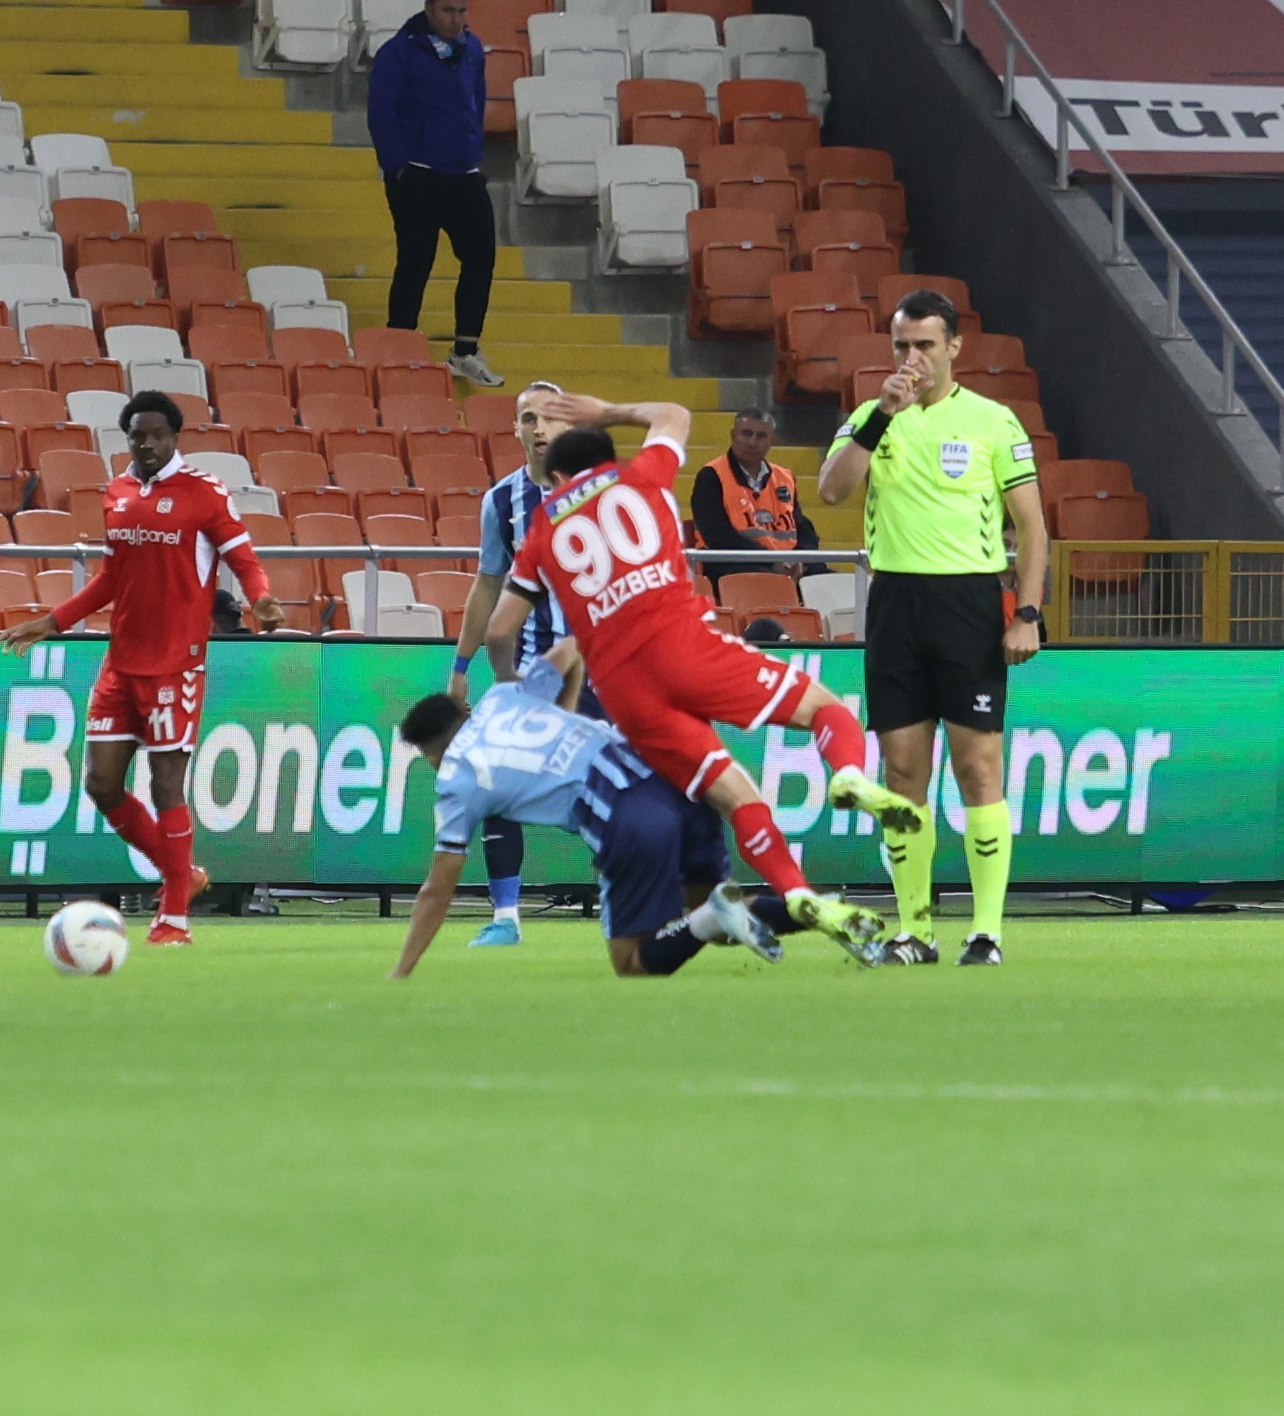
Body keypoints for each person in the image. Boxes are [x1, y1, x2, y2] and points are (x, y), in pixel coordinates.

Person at [485, 392, 926, 965]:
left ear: (560, 473)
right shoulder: (642, 474)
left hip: (623, 688)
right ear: (606, 455)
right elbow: (674, 414)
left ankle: (794, 894)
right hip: (681, 642)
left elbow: (500, 630)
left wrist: (511, 684)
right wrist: (609, 408)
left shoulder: (541, 527)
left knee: (732, 794)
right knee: (824, 710)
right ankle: (845, 775)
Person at [0, 391, 285, 947]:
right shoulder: (118, 492)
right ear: (127, 439)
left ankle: (173, 917)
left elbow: (242, 558)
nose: (147, 443)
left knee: (165, 786)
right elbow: (111, 579)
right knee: (102, 785)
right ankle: (184, 875)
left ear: (175, 437)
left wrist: (263, 599)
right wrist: (51, 622)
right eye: (137, 435)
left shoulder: (204, 492)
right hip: (120, 663)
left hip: (175, 665)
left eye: (157, 434)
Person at [819, 288, 1049, 967]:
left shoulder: (993, 422)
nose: (912, 358)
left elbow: (1033, 527)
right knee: (902, 773)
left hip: (968, 606)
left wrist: (1028, 613)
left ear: (954, 347)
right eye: (901, 346)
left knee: (979, 768)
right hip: (894, 603)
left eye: (924, 344)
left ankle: (986, 931)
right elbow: (831, 491)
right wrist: (880, 418)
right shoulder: (870, 416)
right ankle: (914, 930)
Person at [393, 640, 784, 978]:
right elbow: (570, 649)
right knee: (716, 918)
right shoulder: (502, 697)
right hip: (666, 767)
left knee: (631, 960)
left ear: (430, 754)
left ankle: (712, 916)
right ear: (464, 712)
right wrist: (567, 713)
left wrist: (402, 969)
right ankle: (816, 909)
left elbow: (438, 888)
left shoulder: (456, 778)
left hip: (620, 806)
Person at [444, 379, 580, 948]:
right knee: (494, 782)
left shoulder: (605, 494)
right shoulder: (502, 502)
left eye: (551, 418)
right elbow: (487, 585)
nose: (541, 429)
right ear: (517, 430)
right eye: (530, 419)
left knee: (621, 790)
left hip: (611, 667)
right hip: (532, 672)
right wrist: (460, 667)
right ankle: (506, 917)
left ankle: (633, 905)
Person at [367, 0, 503, 388]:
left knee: (481, 256)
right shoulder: (398, 52)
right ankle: (399, 346)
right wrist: (398, 167)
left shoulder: (472, 48)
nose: (456, 19)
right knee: (416, 260)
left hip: (462, 172)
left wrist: (474, 154)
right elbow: (381, 113)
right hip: (417, 174)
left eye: (462, 10)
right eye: (448, 10)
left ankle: (465, 351)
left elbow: (474, 104)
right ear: (428, 8)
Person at [692, 406, 826, 592]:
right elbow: (718, 536)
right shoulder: (711, 476)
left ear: (772, 440)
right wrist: (772, 562)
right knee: (760, 578)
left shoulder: (784, 477)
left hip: (785, 564)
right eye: (746, 434)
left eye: (761, 436)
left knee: (829, 578)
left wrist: (802, 559)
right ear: (733, 435)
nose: (752, 442)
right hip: (732, 563)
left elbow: (802, 527)